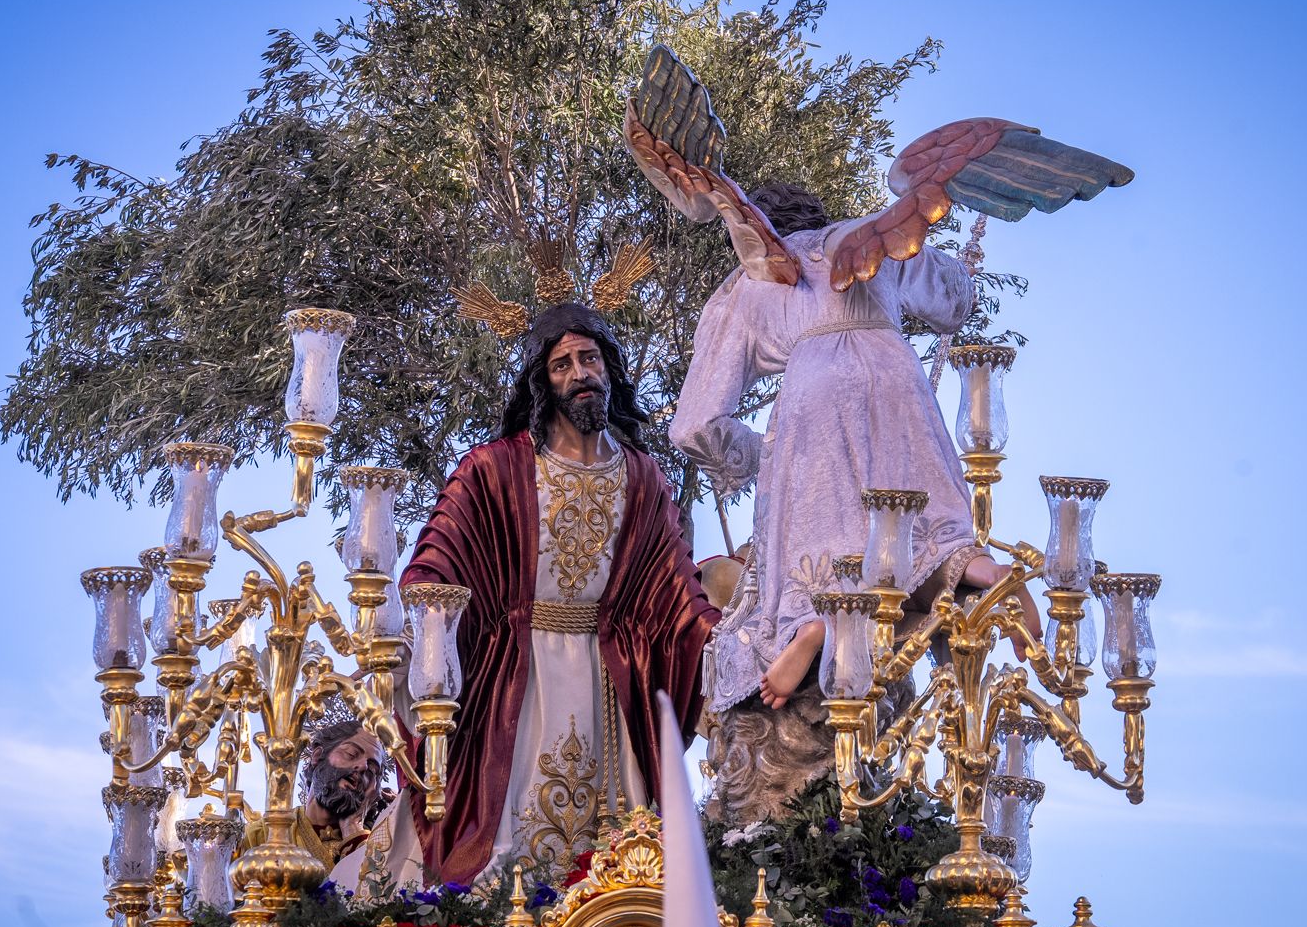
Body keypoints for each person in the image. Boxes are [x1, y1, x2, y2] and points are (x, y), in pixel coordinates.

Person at [363, 303, 719, 886]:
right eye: (562, 364)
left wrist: (731, 649)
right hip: (516, 680)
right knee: (505, 846)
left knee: (617, 855)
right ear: (542, 381)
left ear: (609, 369)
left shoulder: (643, 476)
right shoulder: (493, 468)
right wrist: (415, 627)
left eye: (589, 359)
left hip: (607, 683)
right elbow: (439, 560)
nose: (580, 373)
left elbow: (676, 591)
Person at [671, 184, 1029, 714]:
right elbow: (956, 298)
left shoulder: (751, 280)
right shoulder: (868, 239)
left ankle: (812, 622)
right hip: (898, 378)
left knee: (824, 538)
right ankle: (982, 570)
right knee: (927, 526)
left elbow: (693, 424)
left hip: (814, 396)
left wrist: (765, 457)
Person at [247, 718, 388, 873]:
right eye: (351, 754)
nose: (363, 766)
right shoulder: (261, 836)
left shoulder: (383, 845)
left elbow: (374, 885)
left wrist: (353, 826)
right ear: (317, 756)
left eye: (372, 770)